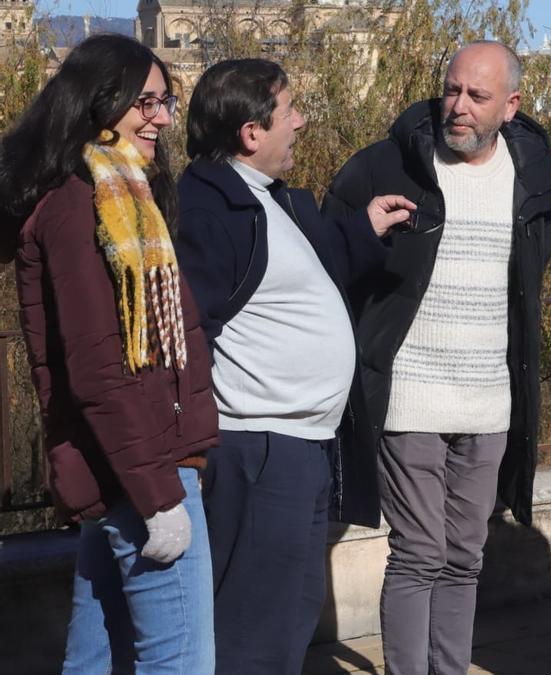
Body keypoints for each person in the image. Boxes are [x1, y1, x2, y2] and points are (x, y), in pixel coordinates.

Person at [321, 41, 551, 675]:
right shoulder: (387, 166)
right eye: (452, 90)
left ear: (510, 105)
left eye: (477, 97)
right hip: (410, 393)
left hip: (489, 400)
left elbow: (523, 290)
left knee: (465, 555)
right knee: (418, 552)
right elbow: (329, 256)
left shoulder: (532, 180)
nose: (458, 107)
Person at [174, 59, 414, 673]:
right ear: (251, 132)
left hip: (299, 445)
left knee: (288, 620)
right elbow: (183, 329)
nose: (301, 122)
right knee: (255, 630)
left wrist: (363, 228)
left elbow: (305, 268)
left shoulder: (264, 198)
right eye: (289, 110)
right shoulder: (210, 210)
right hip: (258, 448)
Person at [0, 34, 218, 672]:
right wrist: (159, 496)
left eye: (166, 102)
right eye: (144, 102)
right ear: (99, 103)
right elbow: (97, 371)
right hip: (141, 468)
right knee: (179, 661)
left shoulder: (117, 193)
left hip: (126, 462)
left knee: (97, 656)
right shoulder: (80, 205)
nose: (161, 118)